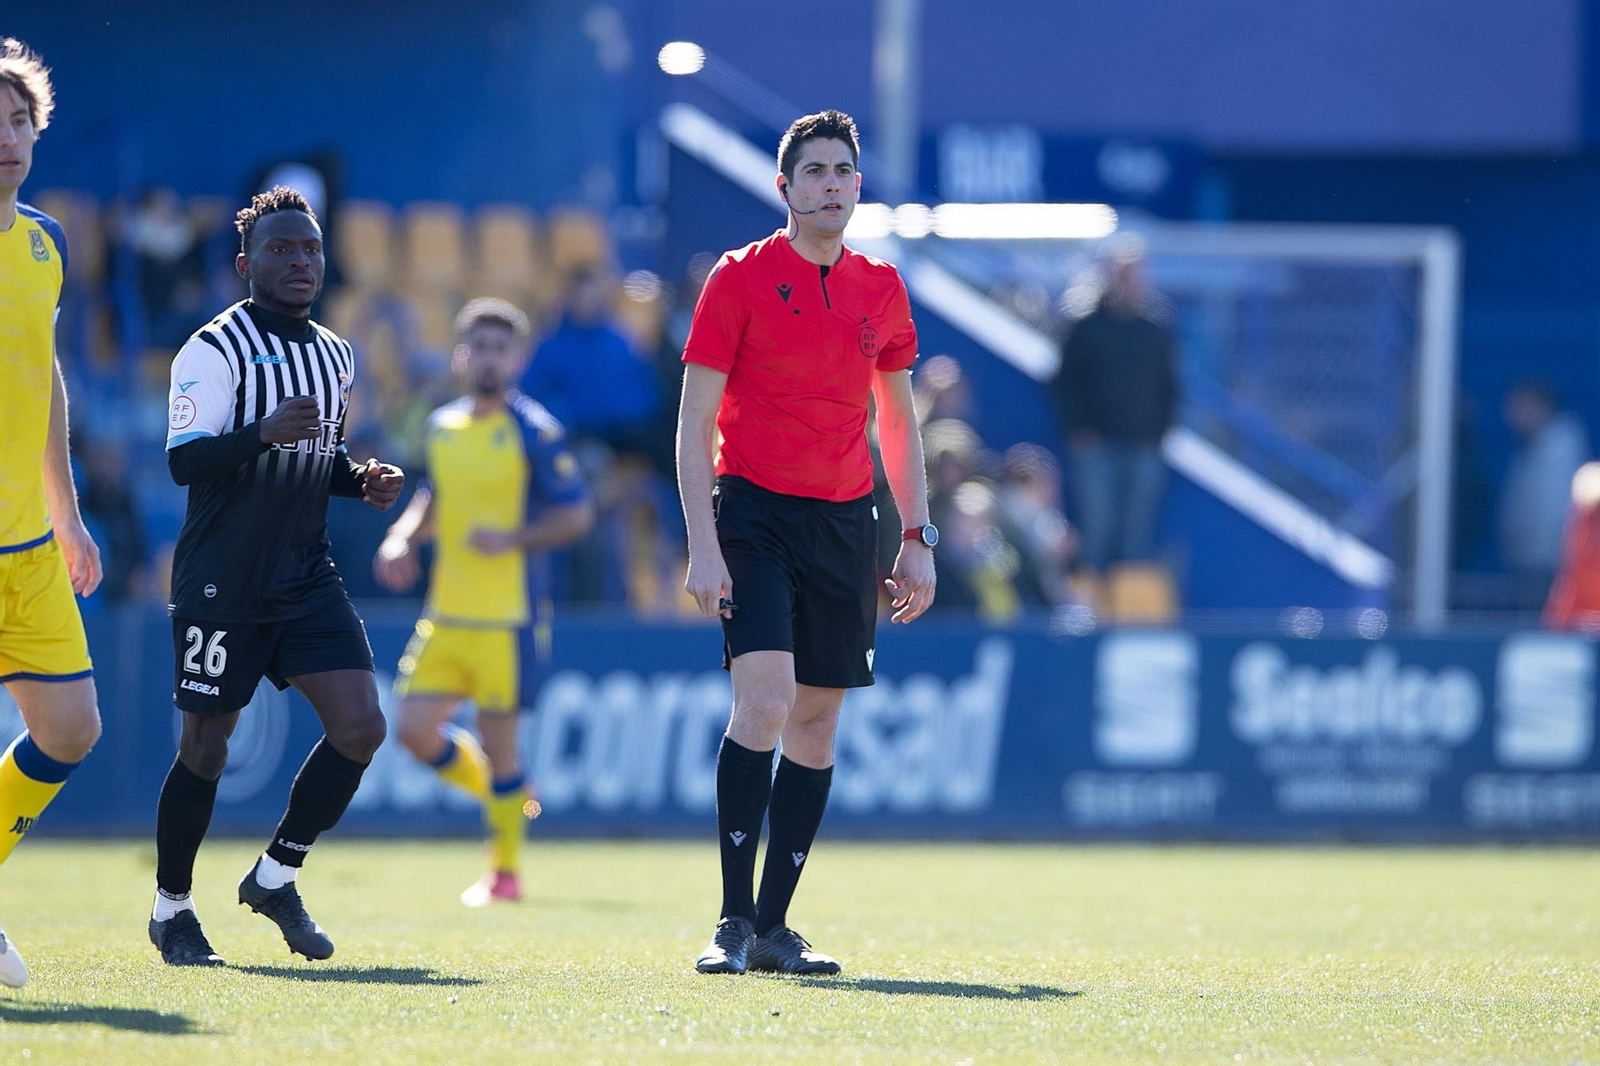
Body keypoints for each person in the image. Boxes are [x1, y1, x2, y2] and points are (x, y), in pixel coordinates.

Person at [677, 110, 936, 977]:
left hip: (843, 520)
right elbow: (695, 420)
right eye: (814, 171)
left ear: (859, 187)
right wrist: (702, 544)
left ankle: (775, 930)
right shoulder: (739, 278)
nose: (831, 184)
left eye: (843, 172)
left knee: (818, 723)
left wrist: (916, 534)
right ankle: (729, 921)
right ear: (783, 188)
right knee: (764, 702)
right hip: (751, 511)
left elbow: (896, 418)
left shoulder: (881, 287)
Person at [148, 187, 404, 967]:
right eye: (281, 250)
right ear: (245, 264)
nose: (300, 262)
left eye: (311, 249)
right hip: (223, 578)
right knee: (205, 748)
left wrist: (356, 478)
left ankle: (275, 874)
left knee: (362, 726)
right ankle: (172, 910)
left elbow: (311, 458)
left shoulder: (333, 352)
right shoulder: (213, 349)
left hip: (304, 574)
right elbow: (184, 460)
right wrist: (260, 432)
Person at [374, 298, 593, 905]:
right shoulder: (442, 425)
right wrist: (400, 535)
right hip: (445, 613)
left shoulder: (535, 430)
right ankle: (511, 795)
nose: (490, 359)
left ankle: (505, 872)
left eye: (502, 348)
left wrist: (514, 539)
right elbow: (433, 495)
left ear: (517, 358)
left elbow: (577, 513)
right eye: (479, 347)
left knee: (501, 746)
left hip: (509, 618)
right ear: (460, 355)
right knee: (414, 732)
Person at [0, 37, 105, 990]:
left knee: (72, 729)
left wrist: (67, 514)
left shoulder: (44, 240)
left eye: (19, 118)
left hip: (29, 546)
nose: (5, 136)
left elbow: (46, 377)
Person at [1051, 237, 1177, 573]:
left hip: (1144, 444)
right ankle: (1090, 614)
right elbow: (1065, 382)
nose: (1129, 281)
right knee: (1097, 527)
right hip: (1096, 445)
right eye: (1122, 273)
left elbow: (1170, 385)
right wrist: (1078, 428)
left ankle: (1129, 613)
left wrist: (1160, 432)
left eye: (1135, 274)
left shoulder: (1156, 327)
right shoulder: (1085, 324)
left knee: (1135, 534)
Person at [1498, 380, 1589, 608]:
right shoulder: (1534, 444)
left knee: (1542, 626)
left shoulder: (1559, 447)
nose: (1509, 413)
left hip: (1547, 565)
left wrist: (1544, 557)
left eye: (1518, 405)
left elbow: (1553, 508)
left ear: (1540, 405)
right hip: (1534, 562)